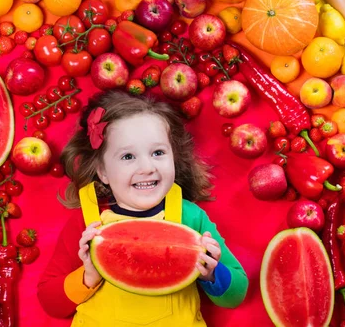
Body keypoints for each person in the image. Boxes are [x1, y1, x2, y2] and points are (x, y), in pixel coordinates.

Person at [37, 90, 248, 326]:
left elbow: (236, 295)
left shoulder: (190, 217)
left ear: (174, 159)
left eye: (158, 153)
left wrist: (212, 273)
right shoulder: (88, 223)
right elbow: (49, 301)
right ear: (102, 171)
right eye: (128, 156)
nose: (147, 167)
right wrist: (87, 276)